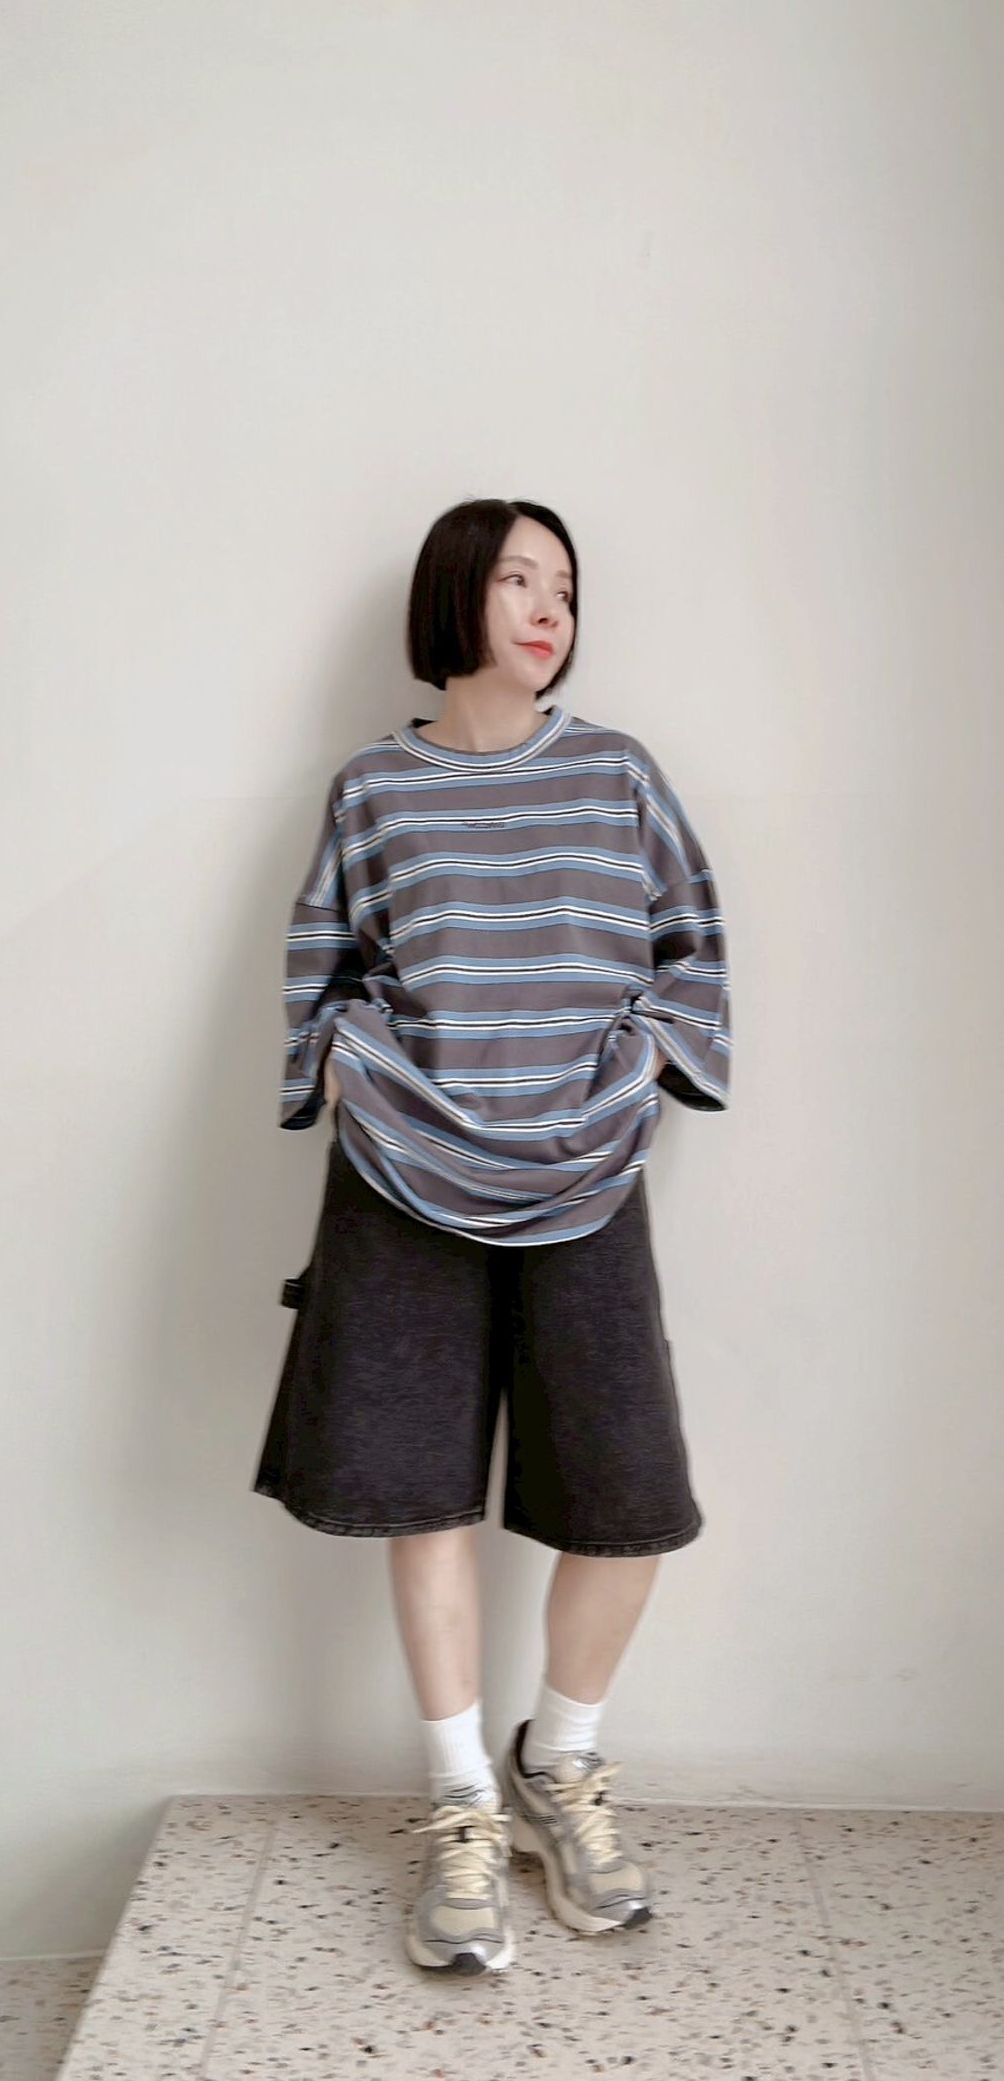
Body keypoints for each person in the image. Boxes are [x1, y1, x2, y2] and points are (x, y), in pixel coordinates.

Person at [252, 496, 732, 1975]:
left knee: (627, 1490)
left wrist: (640, 1069)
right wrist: (345, 1065)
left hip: (585, 1173)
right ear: (453, 594)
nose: (545, 608)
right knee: (422, 1493)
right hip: (404, 1174)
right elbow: (321, 967)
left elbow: (693, 948)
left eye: (564, 588)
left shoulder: (617, 774)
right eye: (518, 578)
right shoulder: (373, 789)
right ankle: (461, 1799)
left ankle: (558, 1762)